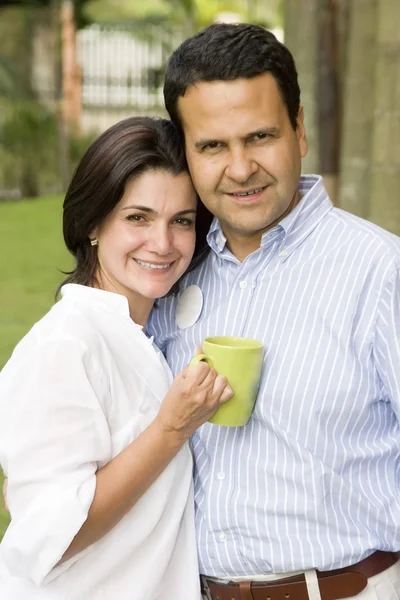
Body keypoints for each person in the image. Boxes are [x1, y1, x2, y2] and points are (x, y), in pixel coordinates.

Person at [147, 23, 400, 600]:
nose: (240, 168)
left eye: (259, 136)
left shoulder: (381, 272)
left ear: (300, 129)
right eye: (212, 145)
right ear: (186, 152)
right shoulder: (168, 274)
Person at [0, 116, 233, 600]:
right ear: (91, 223)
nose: (163, 243)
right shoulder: (64, 346)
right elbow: (51, 537)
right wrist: (171, 428)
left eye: (182, 221)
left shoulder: (151, 332)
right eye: (137, 217)